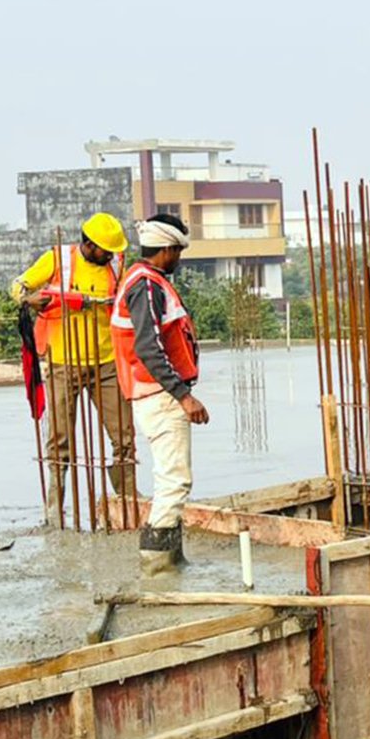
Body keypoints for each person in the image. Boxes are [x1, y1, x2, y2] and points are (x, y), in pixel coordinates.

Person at [11, 212, 135, 525]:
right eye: (105, 250)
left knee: (123, 437)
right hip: (63, 363)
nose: (110, 256)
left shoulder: (117, 264)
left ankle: (128, 503)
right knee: (60, 440)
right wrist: (29, 299)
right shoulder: (58, 260)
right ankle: (55, 513)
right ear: (89, 244)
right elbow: (18, 286)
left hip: (107, 363)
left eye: (113, 251)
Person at [111, 214, 208, 574]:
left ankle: (170, 563)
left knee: (170, 477)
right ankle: (158, 570)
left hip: (155, 393)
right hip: (159, 394)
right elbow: (149, 348)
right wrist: (183, 395)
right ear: (166, 249)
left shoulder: (144, 280)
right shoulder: (146, 286)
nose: (179, 258)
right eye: (178, 252)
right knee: (174, 480)